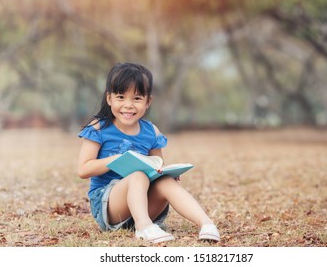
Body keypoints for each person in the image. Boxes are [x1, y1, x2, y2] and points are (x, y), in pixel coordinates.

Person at [77, 62, 220, 244]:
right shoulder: (98, 127)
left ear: (148, 102)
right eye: (121, 97)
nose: (128, 105)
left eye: (137, 98)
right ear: (109, 99)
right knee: (138, 175)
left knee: (164, 180)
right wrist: (117, 159)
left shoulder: (151, 131)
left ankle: (206, 224)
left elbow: (157, 165)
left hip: (144, 205)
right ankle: (143, 227)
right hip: (109, 207)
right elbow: (83, 170)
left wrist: (166, 173)